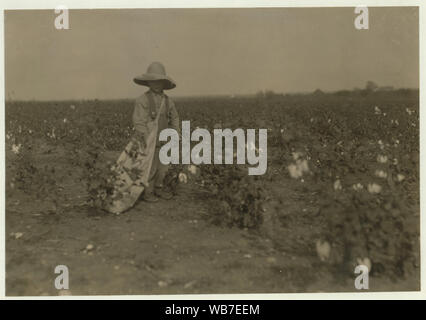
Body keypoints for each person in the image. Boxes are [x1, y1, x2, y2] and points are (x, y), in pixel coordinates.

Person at [132, 62, 180, 202]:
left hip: (163, 138)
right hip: (148, 139)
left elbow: (174, 117)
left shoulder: (167, 101)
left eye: (159, 82)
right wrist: (145, 137)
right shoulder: (142, 100)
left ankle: (159, 189)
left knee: (163, 167)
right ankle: (148, 192)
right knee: (149, 167)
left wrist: (175, 131)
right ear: (148, 83)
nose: (157, 85)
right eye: (153, 82)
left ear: (164, 83)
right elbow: (139, 121)